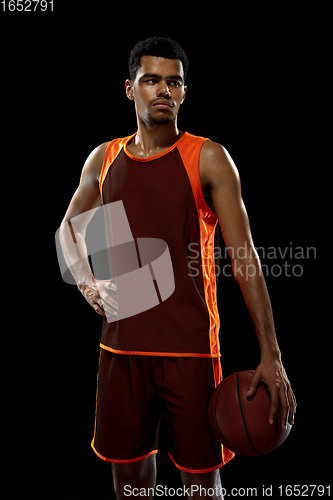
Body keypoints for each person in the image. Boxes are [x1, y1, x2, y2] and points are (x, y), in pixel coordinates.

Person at [59, 37, 296, 499]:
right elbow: (69, 228)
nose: (163, 90)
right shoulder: (105, 159)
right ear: (131, 89)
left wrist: (272, 353)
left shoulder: (208, 157)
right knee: (130, 486)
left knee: (202, 487)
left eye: (173, 82)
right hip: (121, 353)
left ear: (184, 92)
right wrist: (85, 280)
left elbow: (244, 257)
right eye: (151, 81)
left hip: (191, 354)